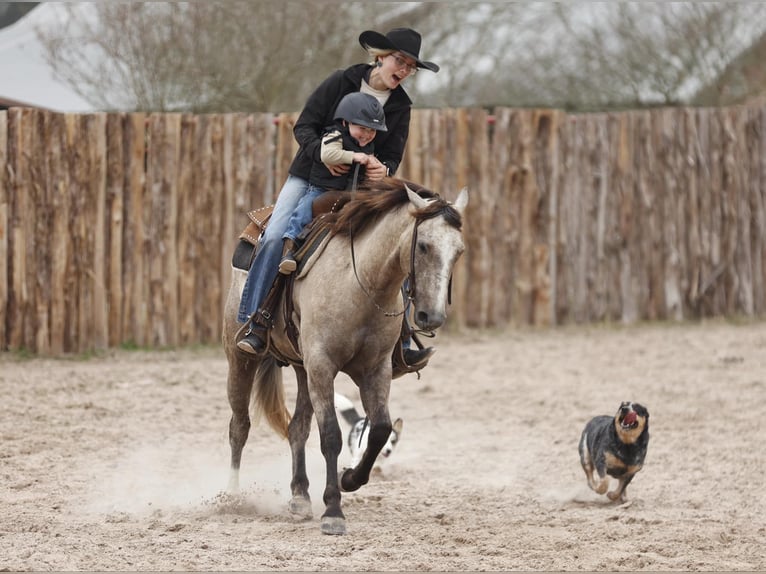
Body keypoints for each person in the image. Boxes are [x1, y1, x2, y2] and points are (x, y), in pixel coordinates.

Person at [237, 27, 440, 372]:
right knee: (273, 236)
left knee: (398, 243)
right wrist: (327, 157)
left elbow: (392, 154)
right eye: (399, 62)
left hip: (361, 187)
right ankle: (256, 321)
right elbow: (304, 127)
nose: (403, 71)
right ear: (380, 56)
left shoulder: (402, 105)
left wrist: (383, 169)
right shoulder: (340, 81)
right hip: (309, 176)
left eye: (410, 67)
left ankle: (401, 341)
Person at [277, 91, 388, 275]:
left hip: (351, 193)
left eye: (372, 130)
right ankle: (291, 246)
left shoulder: (367, 146)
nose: (367, 135)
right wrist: (354, 156)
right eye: (362, 128)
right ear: (345, 122)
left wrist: (373, 165)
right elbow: (327, 154)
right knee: (304, 210)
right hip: (322, 189)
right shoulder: (334, 135)